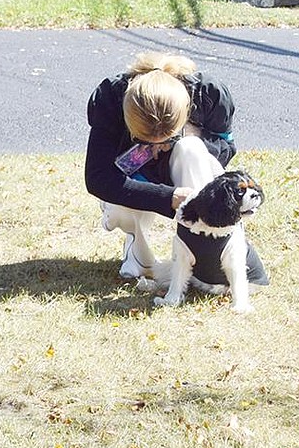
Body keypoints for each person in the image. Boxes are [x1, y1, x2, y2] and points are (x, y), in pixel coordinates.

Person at [85, 51, 267, 282]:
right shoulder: (111, 97)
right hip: (136, 177)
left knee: (191, 148)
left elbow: (227, 147)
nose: (159, 144)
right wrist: (166, 197)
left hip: (182, 164)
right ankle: (137, 249)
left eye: (168, 136)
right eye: (143, 138)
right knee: (117, 203)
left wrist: (189, 136)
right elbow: (98, 177)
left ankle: (206, 250)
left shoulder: (209, 94)